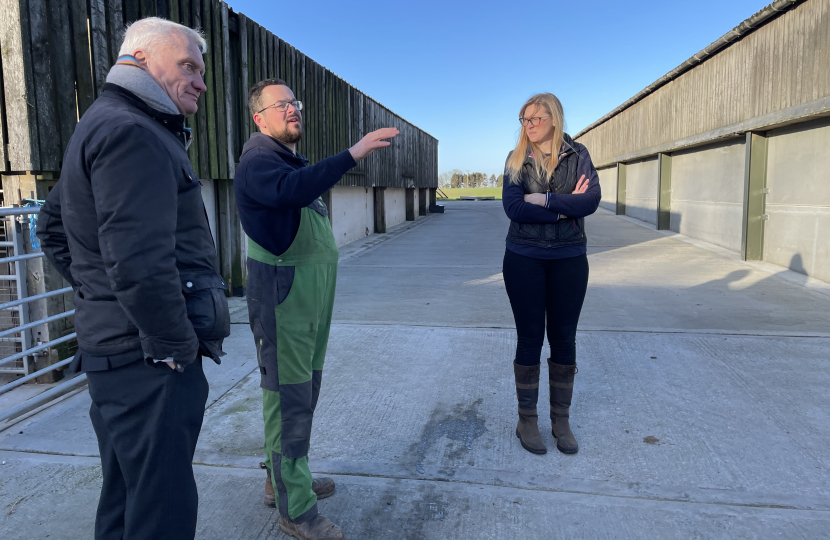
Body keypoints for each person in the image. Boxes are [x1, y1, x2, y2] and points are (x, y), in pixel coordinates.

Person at [36, 18, 229, 540]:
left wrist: (101, 292)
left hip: (120, 353)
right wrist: (174, 346)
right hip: (150, 361)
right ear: (141, 59)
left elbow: (51, 226)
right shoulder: (133, 132)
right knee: (161, 510)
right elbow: (141, 262)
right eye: (188, 66)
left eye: (202, 71)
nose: (201, 83)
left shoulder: (103, 122)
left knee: (128, 498)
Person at [234, 78, 398, 540]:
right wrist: (354, 152)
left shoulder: (286, 158)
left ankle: (281, 479)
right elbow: (291, 191)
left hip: (309, 297)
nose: (292, 110)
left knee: (302, 391)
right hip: (285, 296)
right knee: (289, 397)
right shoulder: (260, 162)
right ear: (258, 117)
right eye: (280, 105)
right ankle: (297, 510)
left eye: (294, 103)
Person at [501, 93, 601, 455]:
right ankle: (526, 419)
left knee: (564, 338)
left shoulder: (579, 155)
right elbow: (514, 207)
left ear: (554, 119)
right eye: (523, 120)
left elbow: (590, 201)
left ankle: (561, 419)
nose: (528, 126)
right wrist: (564, 208)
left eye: (534, 119)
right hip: (523, 257)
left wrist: (543, 201)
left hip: (569, 258)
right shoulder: (516, 161)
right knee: (529, 338)